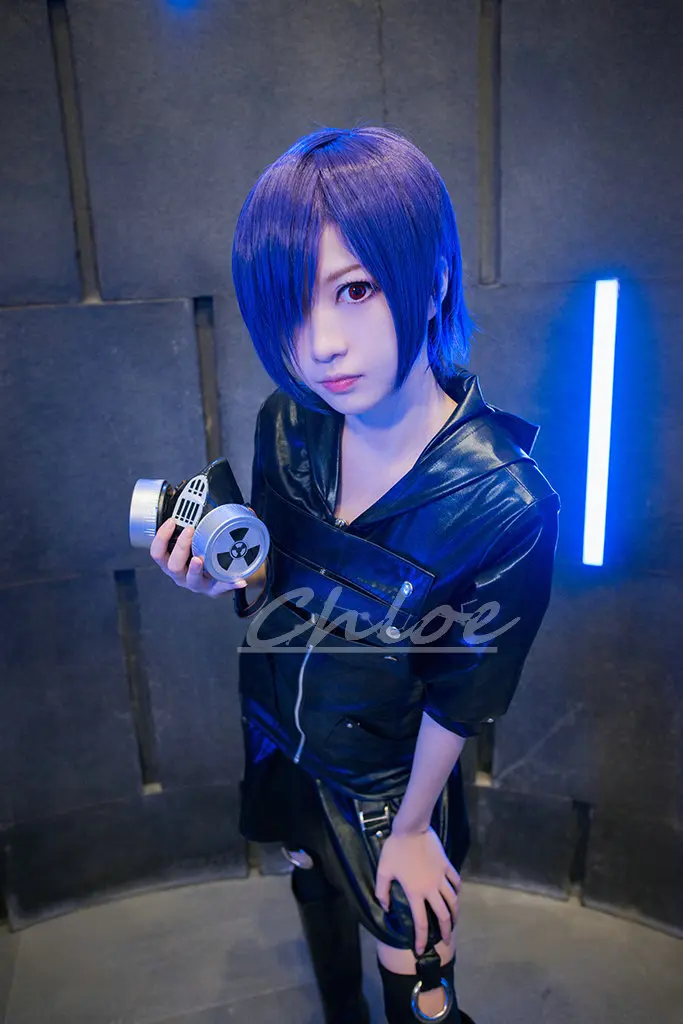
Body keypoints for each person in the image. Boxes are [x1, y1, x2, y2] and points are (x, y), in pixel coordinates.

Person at [150, 124, 560, 1024]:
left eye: (356, 288)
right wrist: (221, 579)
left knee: (418, 972)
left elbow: (463, 693)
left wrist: (410, 827)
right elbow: (273, 585)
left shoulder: (506, 502)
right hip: (278, 737)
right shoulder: (286, 424)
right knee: (314, 896)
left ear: (433, 279)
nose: (321, 344)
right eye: (292, 304)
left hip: (387, 786)